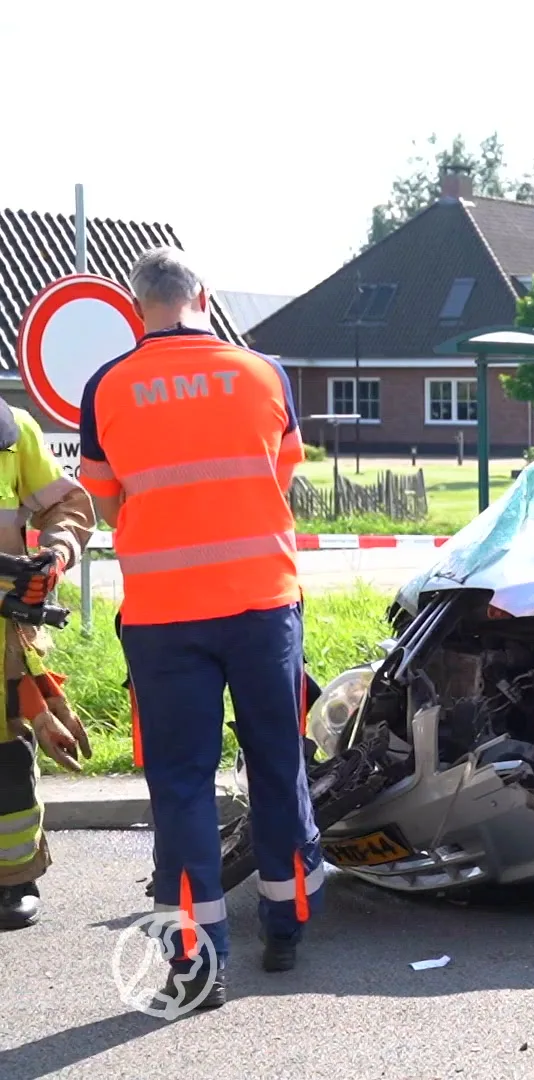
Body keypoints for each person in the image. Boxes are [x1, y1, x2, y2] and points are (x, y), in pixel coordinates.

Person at [76, 247, 322, 1010]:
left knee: (181, 783)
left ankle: (196, 959)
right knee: (276, 762)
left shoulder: (106, 386)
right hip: (262, 607)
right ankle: (285, 924)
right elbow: (280, 475)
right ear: (203, 297)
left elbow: (107, 503)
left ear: (136, 306)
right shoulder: (263, 374)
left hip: (163, 617)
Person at [0, 410, 95, 931]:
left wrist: (55, 552)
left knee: (7, 762)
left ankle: (13, 879)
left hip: (4, 637)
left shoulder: (13, 431)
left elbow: (67, 504)